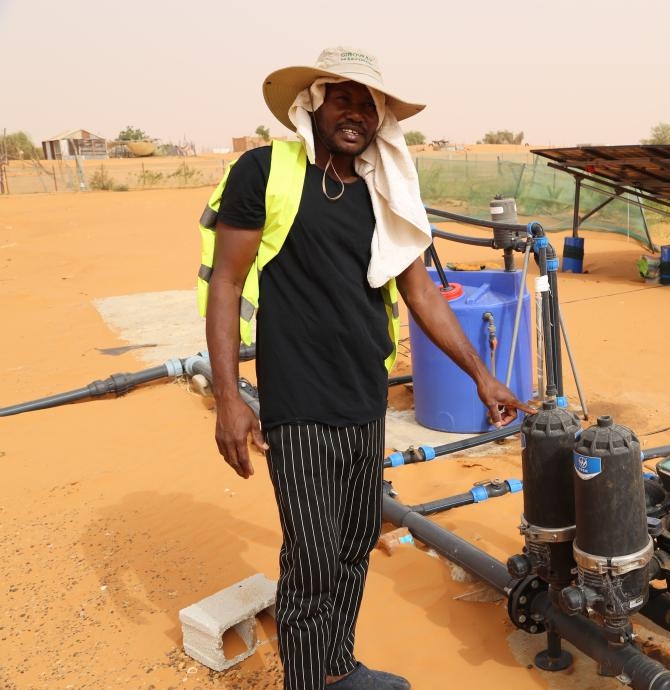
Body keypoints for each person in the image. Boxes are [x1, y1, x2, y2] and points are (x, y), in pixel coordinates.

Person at [200, 46, 531, 690]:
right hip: (297, 396)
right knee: (312, 560)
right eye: (343, 99)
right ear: (314, 105)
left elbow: (423, 295)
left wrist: (481, 375)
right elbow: (225, 283)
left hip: (363, 396)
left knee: (353, 546)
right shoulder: (264, 172)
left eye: (368, 104)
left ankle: (336, 668)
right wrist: (228, 398)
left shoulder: (384, 195)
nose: (355, 113)